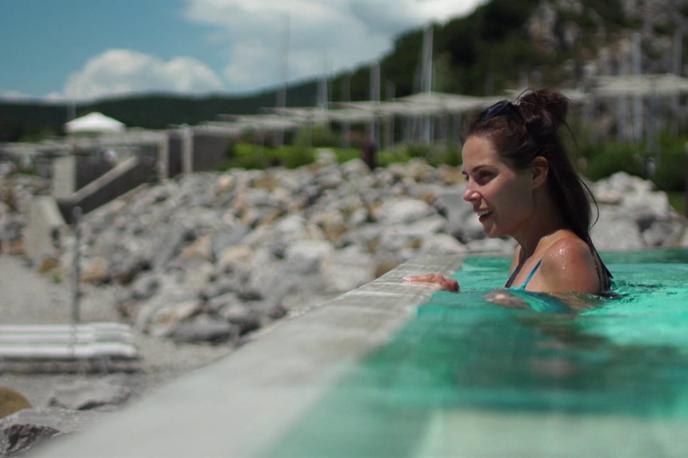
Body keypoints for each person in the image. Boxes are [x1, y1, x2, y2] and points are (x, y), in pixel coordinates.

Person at [405, 89, 612, 296]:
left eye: (484, 175)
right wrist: (450, 295)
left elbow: (574, 329)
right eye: (467, 177)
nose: (468, 194)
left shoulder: (565, 255)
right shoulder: (522, 255)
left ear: (536, 174)